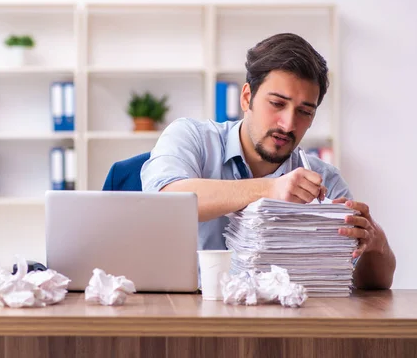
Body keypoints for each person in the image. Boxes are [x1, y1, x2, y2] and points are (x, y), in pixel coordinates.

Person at [140, 33, 395, 290]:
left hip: (283, 320)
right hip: (187, 312)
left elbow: (368, 286)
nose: (288, 124)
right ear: (246, 97)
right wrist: (270, 188)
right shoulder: (191, 137)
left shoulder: (324, 179)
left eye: (305, 112)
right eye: (276, 103)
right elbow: (165, 203)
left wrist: (377, 244)